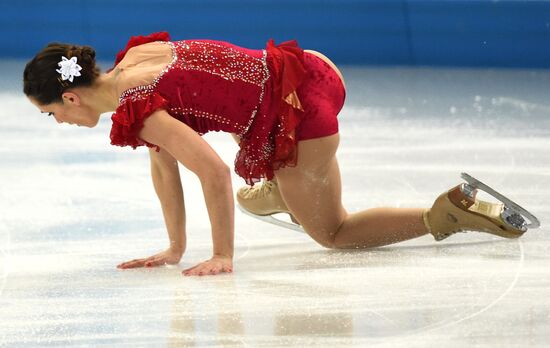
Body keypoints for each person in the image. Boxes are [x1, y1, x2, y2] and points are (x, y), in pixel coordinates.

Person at [23, 32, 534, 276]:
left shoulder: (139, 108)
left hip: (299, 116)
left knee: (333, 233)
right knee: (260, 179)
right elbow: (163, 161)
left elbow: (214, 173)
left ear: (70, 96)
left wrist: (223, 254)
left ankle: (446, 212)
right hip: (309, 67)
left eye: (51, 113)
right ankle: (283, 188)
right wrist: (174, 247)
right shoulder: (135, 60)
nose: (59, 122)